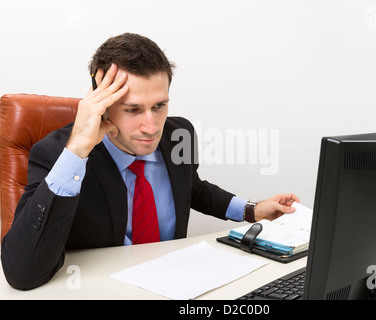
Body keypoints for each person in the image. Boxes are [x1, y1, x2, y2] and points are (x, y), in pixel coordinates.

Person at [1, 33, 299, 290]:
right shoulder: (57, 156)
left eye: (159, 106)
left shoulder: (179, 134)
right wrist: (78, 149)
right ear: (100, 106)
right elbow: (22, 273)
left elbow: (191, 188)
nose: (151, 126)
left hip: (179, 286)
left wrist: (251, 210)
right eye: (133, 110)